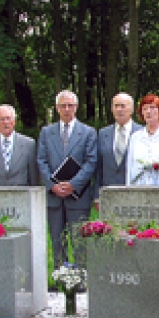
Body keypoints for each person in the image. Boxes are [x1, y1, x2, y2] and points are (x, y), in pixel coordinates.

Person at [37, 90, 97, 266]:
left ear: (76, 107)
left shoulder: (88, 132)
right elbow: (41, 160)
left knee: (79, 242)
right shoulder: (46, 132)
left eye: (70, 105)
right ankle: (59, 278)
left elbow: (91, 162)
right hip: (54, 198)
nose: (67, 109)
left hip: (78, 197)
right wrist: (52, 185)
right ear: (57, 108)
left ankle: (79, 280)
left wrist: (72, 184)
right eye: (63, 105)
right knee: (57, 241)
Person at [0, 104, 39, 187]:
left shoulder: (29, 144)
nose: (5, 122)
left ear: (14, 121)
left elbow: (34, 179)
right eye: (1, 119)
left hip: (21, 197)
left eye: (8, 118)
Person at [95, 92, 142, 201]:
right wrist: (97, 195)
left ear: (131, 109)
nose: (119, 109)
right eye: (116, 106)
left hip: (133, 193)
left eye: (123, 106)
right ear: (112, 109)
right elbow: (99, 167)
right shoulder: (103, 133)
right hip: (108, 193)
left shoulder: (141, 133)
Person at [126, 94, 159, 186]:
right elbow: (130, 167)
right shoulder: (135, 137)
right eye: (144, 109)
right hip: (139, 189)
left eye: (152, 108)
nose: (148, 111)